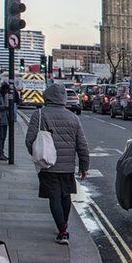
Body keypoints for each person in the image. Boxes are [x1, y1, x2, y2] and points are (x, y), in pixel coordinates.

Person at [26, 84, 90, 245]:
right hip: (67, 166)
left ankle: (62, 231)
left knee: (54, 197)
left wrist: (38, 156)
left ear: (47, 97)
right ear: (63, 98)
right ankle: (64, 225)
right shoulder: (73, 117)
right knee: (65, 195)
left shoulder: (39, 115)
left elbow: (30, 140)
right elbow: (82, 145)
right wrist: (84, 166)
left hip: (48, 165)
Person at [0, 83, 12, 161]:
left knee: (3, 137)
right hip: (0, 119)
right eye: (6, 90)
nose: (6, 92)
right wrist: (4, 107)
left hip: (5, 119)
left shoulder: (4, 95)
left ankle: (2, 153)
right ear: (3, 89)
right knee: (0, 137)